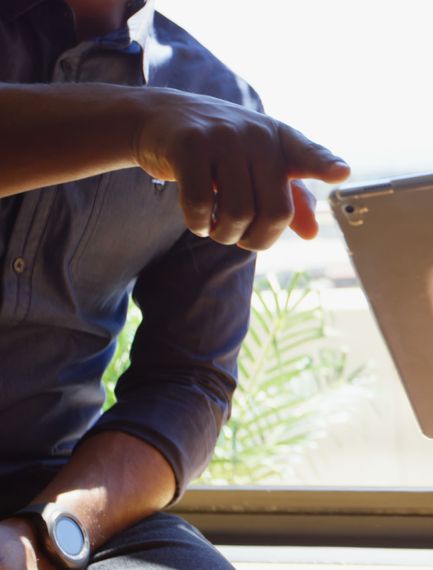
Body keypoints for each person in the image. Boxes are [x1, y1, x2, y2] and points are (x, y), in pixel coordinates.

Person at [0, 0, 349, 567]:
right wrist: (137, 125)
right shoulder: (201, 118)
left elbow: (188, 382)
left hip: (49, 491)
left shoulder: (220, 104)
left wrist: (48, 534)